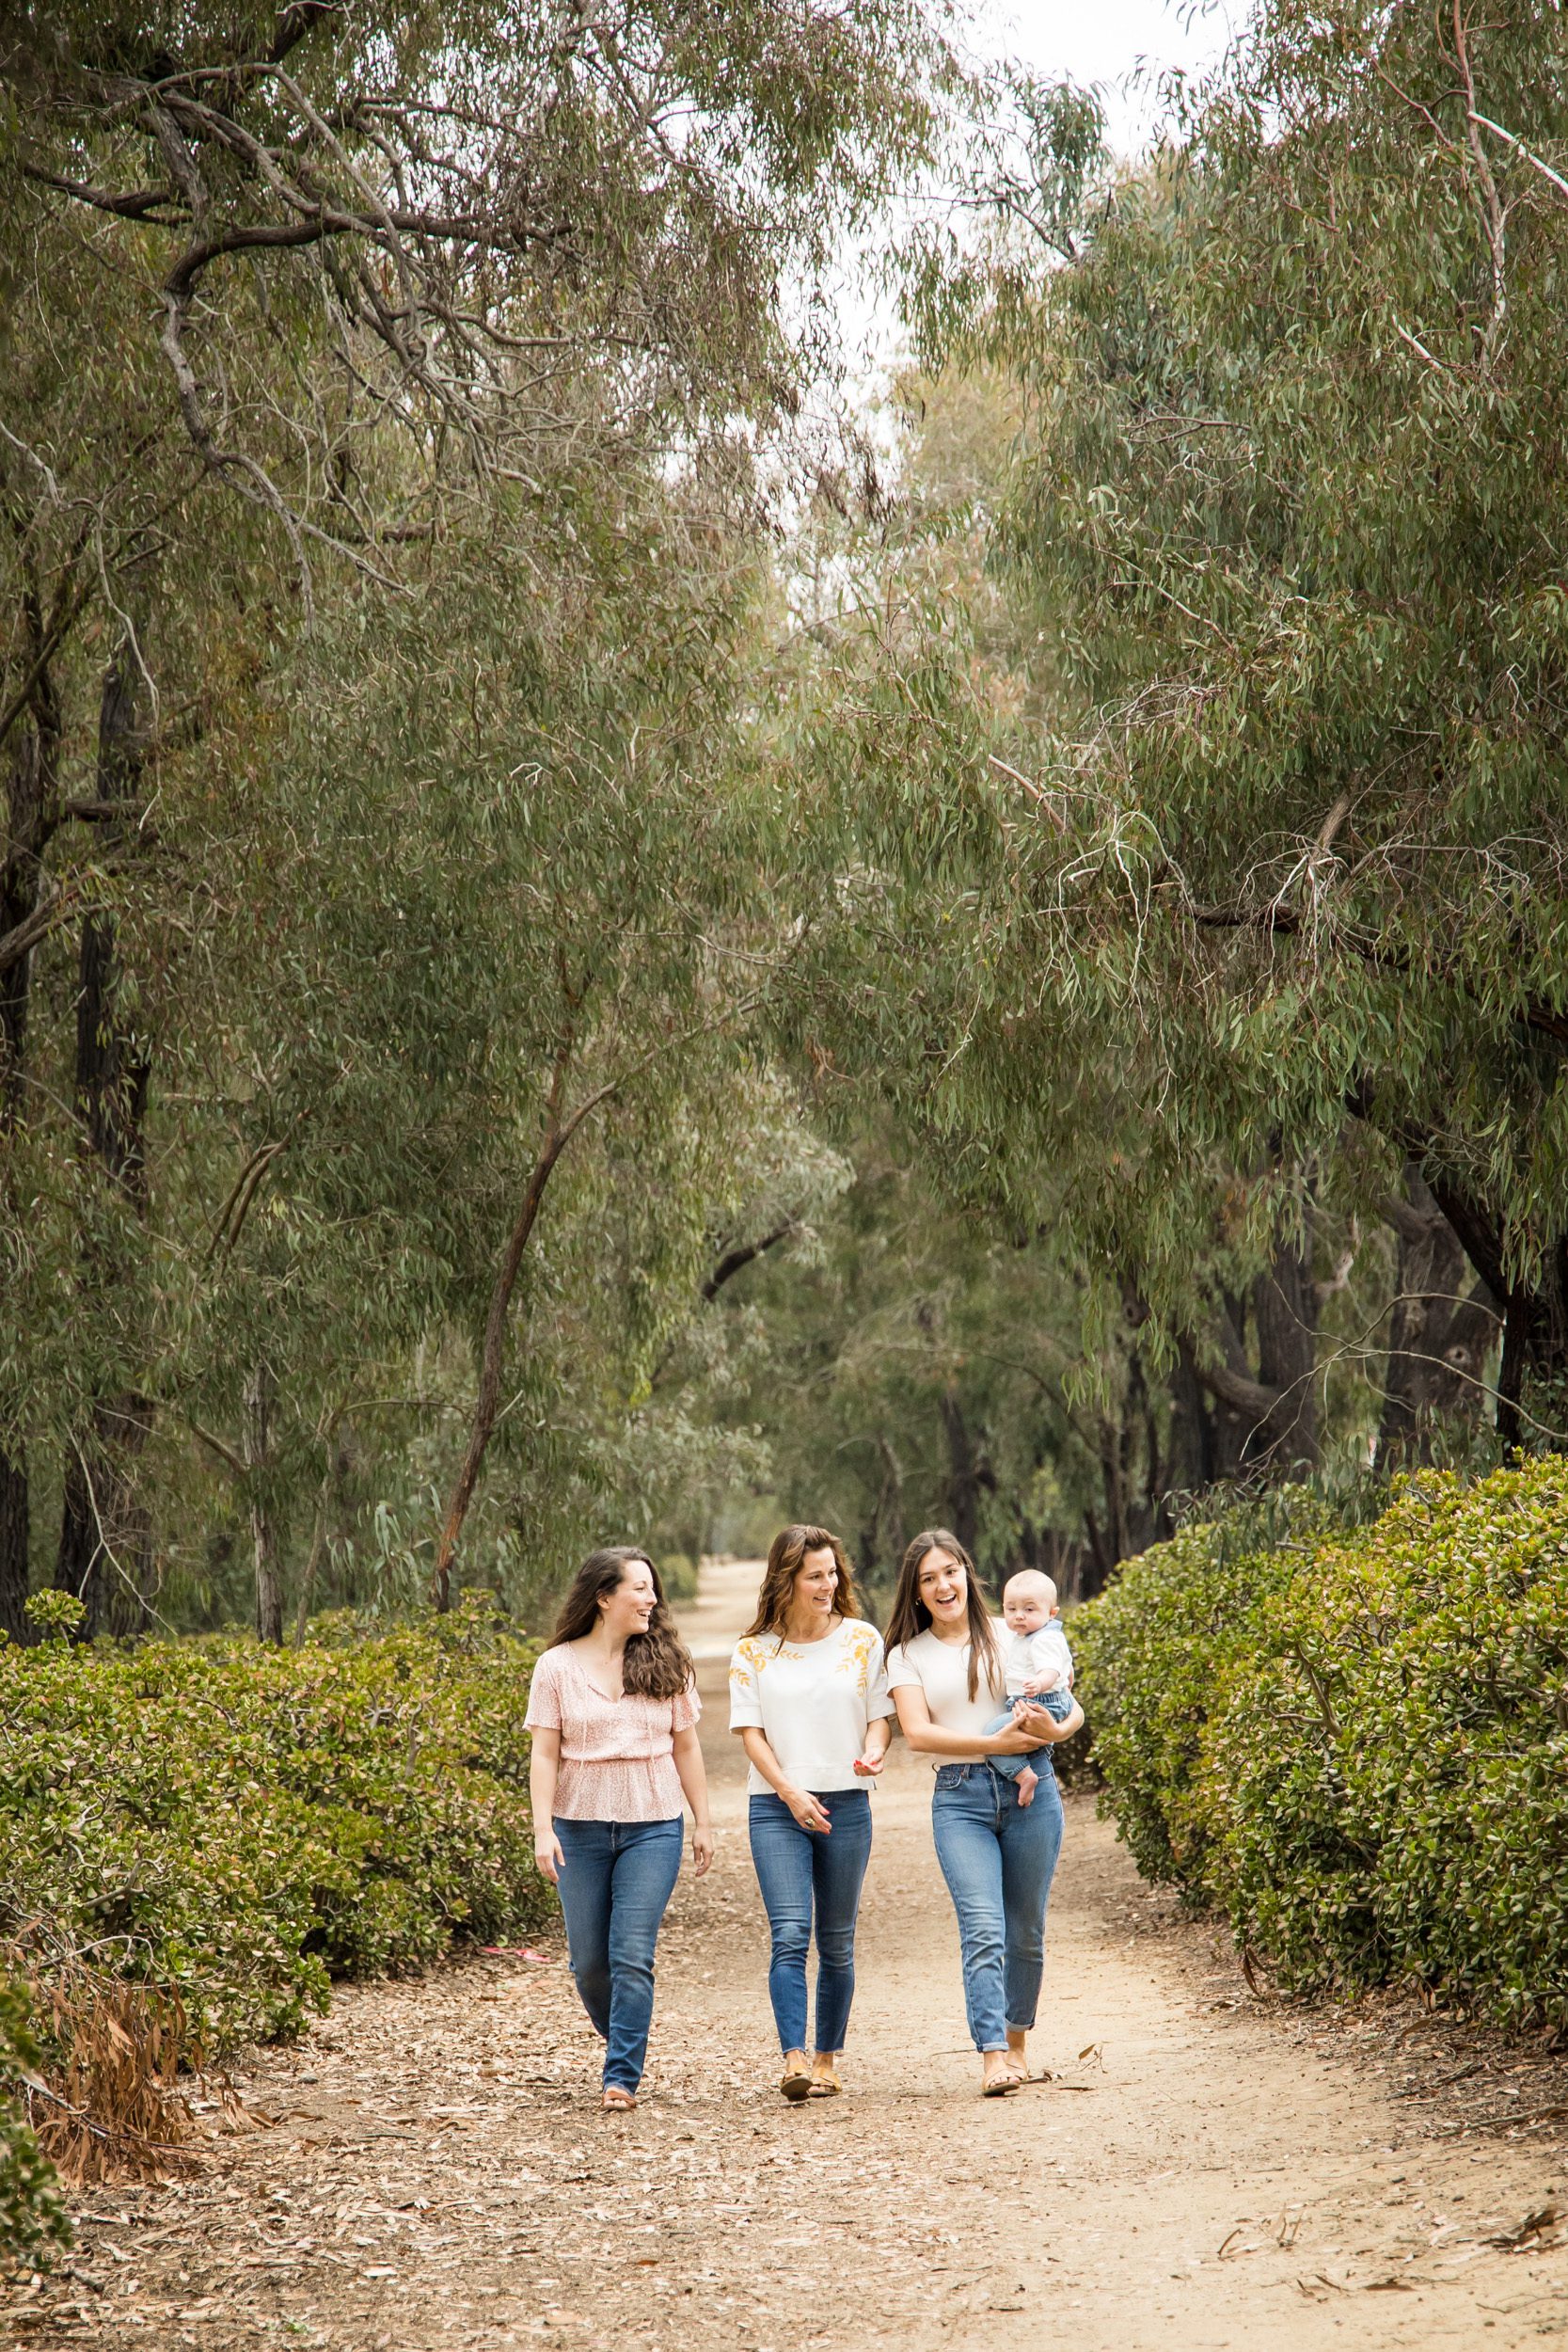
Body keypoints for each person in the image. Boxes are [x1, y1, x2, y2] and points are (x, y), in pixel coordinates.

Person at [884, 1530, 1084, 2097]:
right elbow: (919, 1735)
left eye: (950, 1571)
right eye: (928, 1578)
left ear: (967, 1574)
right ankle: (993, 2054)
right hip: (960, 1799)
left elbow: (1070, 1702)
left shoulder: (1011, 1630)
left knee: (1026, 1930)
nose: (943, 1585)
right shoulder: (907, 1655)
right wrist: (996, 1748)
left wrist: (1060, 1730)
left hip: (1034, 1791)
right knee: (982, 1927)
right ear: (917, 1592)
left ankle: (1018, 2042)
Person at [526, 1547, 714, 2112]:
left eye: (653, 1589)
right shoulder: (555, 1666)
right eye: (639, 1588)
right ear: (604, 1597)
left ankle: (621, 2075)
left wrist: (703, 1820)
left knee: (632, 1953)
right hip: (578, 1829)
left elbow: (686, 1744)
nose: (652, 1599)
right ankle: (626, 2036)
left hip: (653, 1825)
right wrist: (542, 1828)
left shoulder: (667, 1661)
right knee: (589, 1963)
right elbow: (544, 1753)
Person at [729, 1523, 894, 2101]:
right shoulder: (753, 1651)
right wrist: (791, 1793)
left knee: (837, 1939)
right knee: (790, 1933)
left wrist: (874, 1750)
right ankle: (794, 2057)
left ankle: (828, 2057)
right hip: (776, 1806)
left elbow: (880, 1715)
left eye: (832, 1573)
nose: (827, 1584)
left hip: (847, 1804)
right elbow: (750, 1734)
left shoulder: (863, 1639)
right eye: (814, 1575)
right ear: (787, 1580)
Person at [980, 1569, 1075, 1808]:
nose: (1019, 1616)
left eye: (1029, 1609)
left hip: (1041, 1700)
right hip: (1039, 1699)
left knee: (992, 1733)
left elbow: (1051, 1669)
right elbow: (1068, 1673)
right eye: (1011, 1609)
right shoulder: (1026, 1636)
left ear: (1051, 1613)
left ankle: (1024, 1775)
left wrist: (1040, 1682)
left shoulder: (1043, 1638)